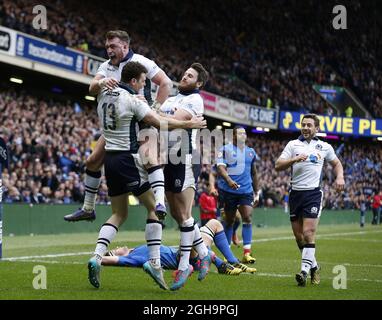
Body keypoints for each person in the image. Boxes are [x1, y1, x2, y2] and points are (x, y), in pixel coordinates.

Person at [87, 61, 206, 290]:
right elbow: (158, 121)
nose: (143, 86)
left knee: (118, 214)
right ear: (133, 81)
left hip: (109, 161)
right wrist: (189, 123)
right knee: (155, 209)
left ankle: (96, 256)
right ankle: (154, 262)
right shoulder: (132, 100)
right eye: (142, 81)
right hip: (128, 160)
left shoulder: (105, 95)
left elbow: (94, 88)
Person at [64, 30, 172, 222]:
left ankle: (159, 202)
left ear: (125, 46)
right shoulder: (105, 66)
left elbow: (166, 82)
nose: (109, 50)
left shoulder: (142, 62)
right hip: (118, 125)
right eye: (107, 47)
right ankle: (88, 208)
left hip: (141, 119)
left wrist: (154, 108)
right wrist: (102, 81)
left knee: (150, 159)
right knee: (92, 162)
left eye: (112, 46)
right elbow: (92, 88)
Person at [159, 62, 213, 290]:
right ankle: (203, 252)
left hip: (184, 156)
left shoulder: (196, 99)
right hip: (168, 156)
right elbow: (159, 119)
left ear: (198, 83)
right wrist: (162, 117)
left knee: (183, 212)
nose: (184, 76)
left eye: (190, 75)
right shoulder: (171, 98)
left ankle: (184, 265)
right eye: (185, 73)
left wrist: (161, 117)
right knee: (176, 213)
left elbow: (163, 121)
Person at [275, 113, 345, 286]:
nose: (305, 127)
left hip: (313, 193)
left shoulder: (324, 147)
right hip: (295, 194)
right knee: (299, 238)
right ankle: (314, 267)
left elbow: (336, 164)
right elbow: (278, 166)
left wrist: (340, 177)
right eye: (303, 124)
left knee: (308, 233)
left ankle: (304, 272)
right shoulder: (293, 145)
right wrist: (294, 159)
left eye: (309, 125)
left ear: (316, 128)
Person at [101, 219, 256, 276]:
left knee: (214, 223)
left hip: (187, 253)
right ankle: (221, 265)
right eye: (115, 249)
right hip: (182, 258)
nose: (119, 246)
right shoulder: (133, 258)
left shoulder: (137, 249)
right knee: (187, 232)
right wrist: (98, 257)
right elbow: (111, 260)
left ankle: (232, 261)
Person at [216, 126, 260, 263]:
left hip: (246, 191)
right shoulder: (224, 149)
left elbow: (254, 172)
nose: (243, 135)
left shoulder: (251, 152)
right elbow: (220, 168)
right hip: (228, 191)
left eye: (244, 133)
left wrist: (256, 191)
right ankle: (227, 254)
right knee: (229, 221)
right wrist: (229, 180)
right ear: (233, 136)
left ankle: (247, 253)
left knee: (247, 216)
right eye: (240, 133)